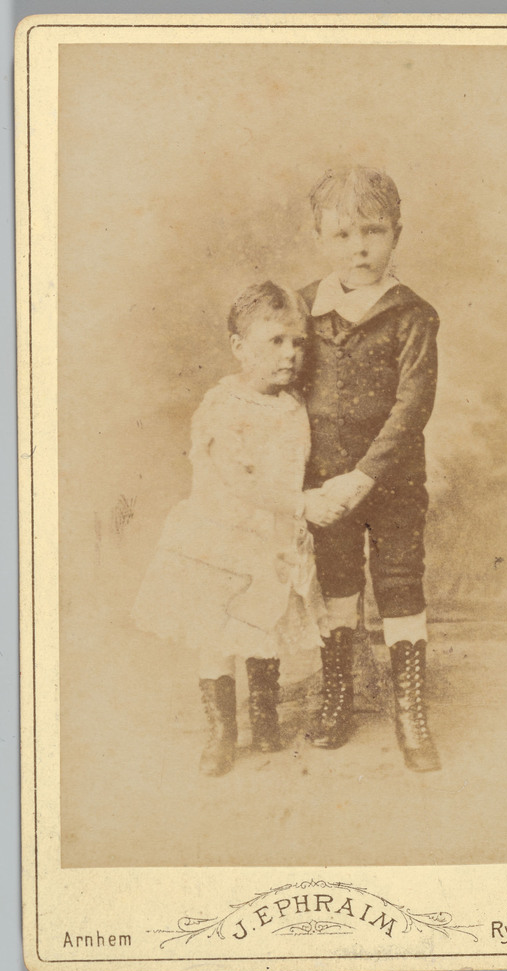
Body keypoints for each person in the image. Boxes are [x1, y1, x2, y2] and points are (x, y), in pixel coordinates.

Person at [133, 282, 342, 776]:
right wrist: (301, 504)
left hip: (271, 540)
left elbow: (296, 468)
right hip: (222, 541)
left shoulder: (293, 405)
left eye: (298, 342)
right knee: (219, 636)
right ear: (239, 346)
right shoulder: (223, 405)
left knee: (265, 626)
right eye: (276, 341)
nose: (290, 354)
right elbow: (238, 479)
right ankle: (222, 734)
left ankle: (265, 717)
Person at [299, 165, 441, 772]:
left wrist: (366, 475)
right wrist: (307, 486)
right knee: (337, 585)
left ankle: (410, 712)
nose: (359, 247)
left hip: (392, 482)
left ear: (396, 235)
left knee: (400, 583)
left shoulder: (413, 315)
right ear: (320, 238)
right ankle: (339, 698)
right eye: (342, 234)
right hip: (325, 485)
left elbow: (413, 406)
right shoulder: (302, 310)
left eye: (373, 231)